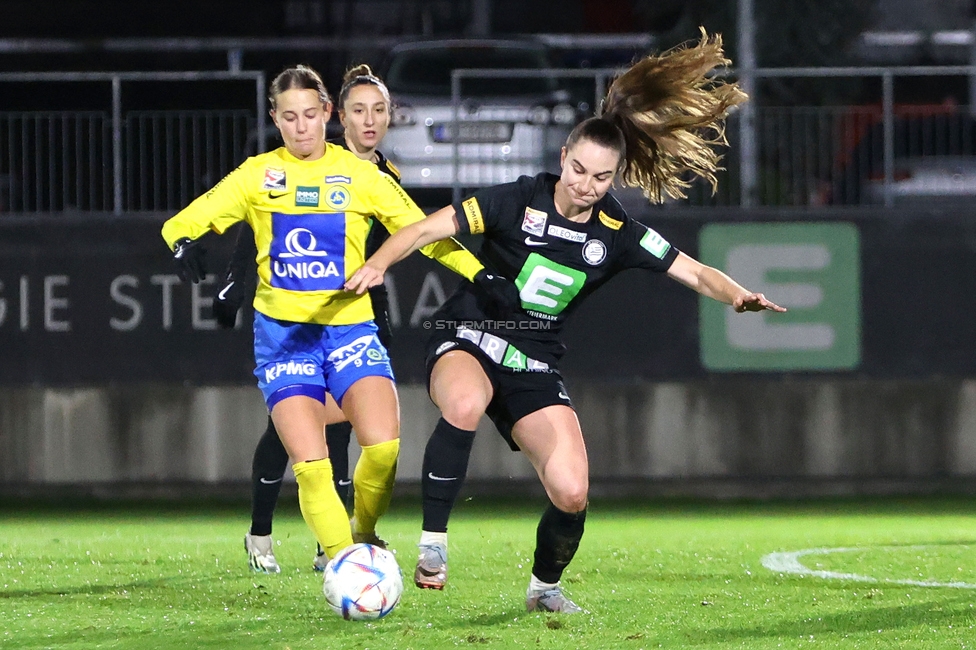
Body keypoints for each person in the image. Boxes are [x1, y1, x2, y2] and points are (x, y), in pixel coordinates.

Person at [345, 31, 786, 613]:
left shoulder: (618, 233)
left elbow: (695, 271)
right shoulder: (515, 199)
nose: (585, 185)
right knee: (464, 404)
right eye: (578, 170)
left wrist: (737, 296)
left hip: (532, 360)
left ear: (615, 178)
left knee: (573, 491)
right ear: (562, 159)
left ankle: (544, 588)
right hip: (469, 337)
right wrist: (378, 262)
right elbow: (427, 227)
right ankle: (433, 546)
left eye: (600, 178)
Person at [161, 64, 516, 576]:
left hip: (350, 329)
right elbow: (184, 222)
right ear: (275, 119)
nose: (301, 127)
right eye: (289, 118)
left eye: (310, 114)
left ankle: (363, 532)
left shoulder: (363, 177)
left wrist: (480, 274)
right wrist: (180, 244)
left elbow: (422, 233)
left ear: (326, 113)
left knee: (383, 448)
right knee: (312, 467)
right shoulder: (257, 175)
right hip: (284, 341)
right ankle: (342, 564)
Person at [211, 64, 407, 574]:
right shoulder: (296, 168)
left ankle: (337, 544)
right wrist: (237, 280)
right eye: (359, 110)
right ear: (336, 115)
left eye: (379, 110)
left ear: (390, 117)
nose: (370, 121)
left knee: (353, 432)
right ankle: (261, 533)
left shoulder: (383, 176)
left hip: (357, 315)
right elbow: (260, 224)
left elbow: (404, 237)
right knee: (292, 434)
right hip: (295, 320)